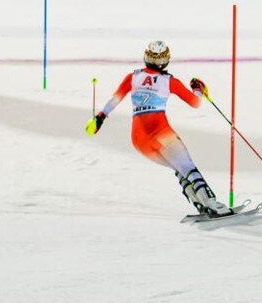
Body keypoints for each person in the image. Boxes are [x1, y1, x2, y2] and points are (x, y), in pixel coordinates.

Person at [85, 41, 230, 217]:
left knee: (178, 168)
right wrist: (198, 90)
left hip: (139, 140)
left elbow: (115, 100)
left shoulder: (133, 77)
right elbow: (195, 103)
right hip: (160, 133)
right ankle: (212, 204)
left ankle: (199, 203)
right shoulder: (169, 81)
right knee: (186, 166)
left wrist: (99, 118)